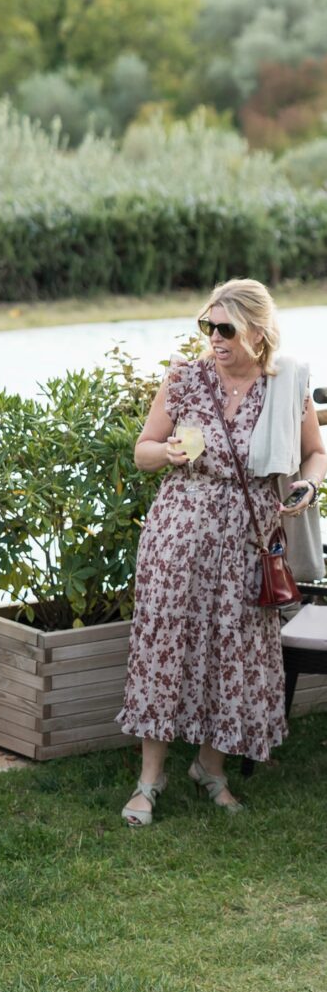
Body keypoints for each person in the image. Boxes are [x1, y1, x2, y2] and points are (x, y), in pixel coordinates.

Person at [117, 280, 326, 823]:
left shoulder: (286, 384)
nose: (214, 337)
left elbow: (315, 453)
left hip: (250, 538)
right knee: (166, 647)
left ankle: (212, 768)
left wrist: (308, 486)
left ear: (259, 333)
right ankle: (149, 779)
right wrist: (166, 452)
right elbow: (141, 451)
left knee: (235, 653)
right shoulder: (185, 379)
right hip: (179, 534)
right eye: (206, 326)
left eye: (225, 328)